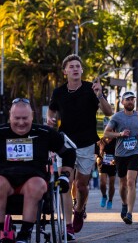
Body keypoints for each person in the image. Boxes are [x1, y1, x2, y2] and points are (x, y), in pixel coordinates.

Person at [0, 98, 75, 243]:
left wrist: (65, 175)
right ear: (10, 116)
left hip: (34, 180)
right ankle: (1, 232)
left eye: (25, 118)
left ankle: (24, 234)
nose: (21, 123)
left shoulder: (44, 132)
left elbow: (69, 152)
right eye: (17, 118)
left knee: (35, 185)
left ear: (32, 116)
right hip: (4, 180)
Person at [47, 54, 113, 239]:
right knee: (65, 185)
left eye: (78, 66)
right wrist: (49, 120)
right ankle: (68, 226)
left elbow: (109, 112)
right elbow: (52, 109)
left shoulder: (91, 89)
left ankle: (80, 209)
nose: (75, 69)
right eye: (72, 66)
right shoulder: (59, 92)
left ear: (82, 70)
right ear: (65, 71)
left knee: (82, 186)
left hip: (86, 143)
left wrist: (100, 94)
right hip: (65, 143)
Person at [103, 91, 138, 225]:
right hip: (120, 154)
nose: (130, 102)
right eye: (127, 100)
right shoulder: (117, 117)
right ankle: (124, 204)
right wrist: (120, 134)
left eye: (132, 99)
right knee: (122, 184)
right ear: (122, 102)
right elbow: (106, 133)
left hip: (135, 152)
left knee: (131, 182)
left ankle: (130, 214)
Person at [96, 137, 116, 210]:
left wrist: (116, 159)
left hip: (113, 165)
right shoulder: (101, 141)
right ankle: (104, 196)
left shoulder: (116, 141)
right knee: (102, 183)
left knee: (111, 184)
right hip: (103, 165)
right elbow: (96, 152)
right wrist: (97, 158)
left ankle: (110, 200)